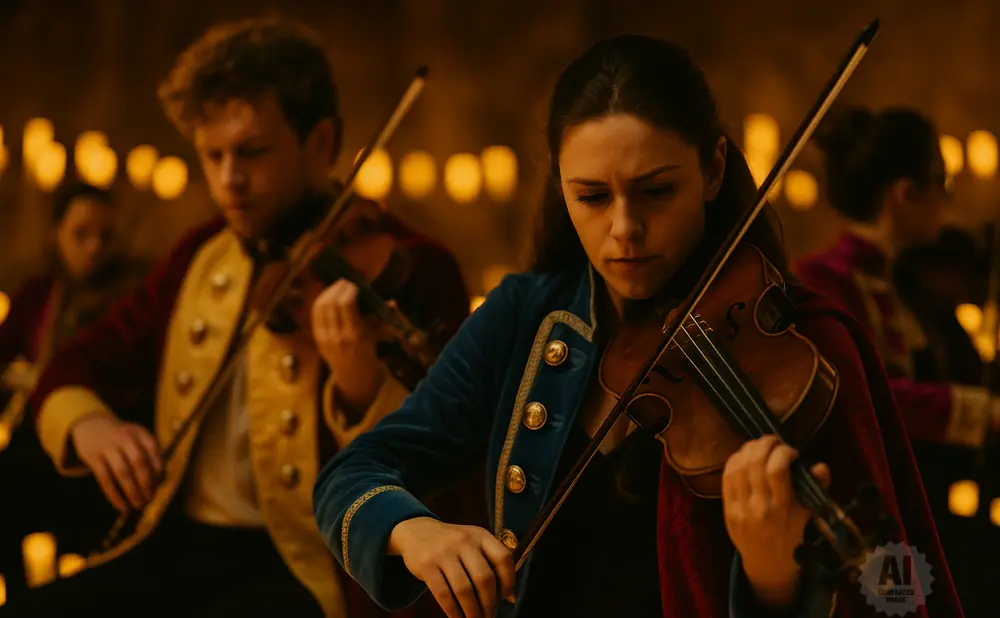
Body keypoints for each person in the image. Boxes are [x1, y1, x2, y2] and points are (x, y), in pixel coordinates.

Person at [312, 35, 963, 618]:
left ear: (713, 170)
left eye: (656, 191)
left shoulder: (805, 344)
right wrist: (415, 531)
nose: (624, 229)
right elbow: (353, 473)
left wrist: (772, 581)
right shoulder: (524, 316)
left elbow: (889, 591)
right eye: (592, 197)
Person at [0, 18, 471, 618]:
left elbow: (449, 460)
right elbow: (79, 360)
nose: (229, 181)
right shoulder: (201, 255)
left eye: (252, 152)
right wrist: (91, 426)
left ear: (321, 143)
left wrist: (361, 390)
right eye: (212, 155)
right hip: (179, 545)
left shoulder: (412, 267)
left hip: (315, 565)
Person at [795, 107, 1000, 450]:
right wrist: (985, 412)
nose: (947, 199)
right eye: (941, 181)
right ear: (905, 192)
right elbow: (864, 395)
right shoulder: (823, 281)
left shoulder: (904, 279)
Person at [0, 180, 142, 602]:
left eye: (105, 236)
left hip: (100, 450)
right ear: (57, 234)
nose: (94, 247)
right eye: (81, 235)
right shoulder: (39, 294)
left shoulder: (129, 298)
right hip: (36, 441)